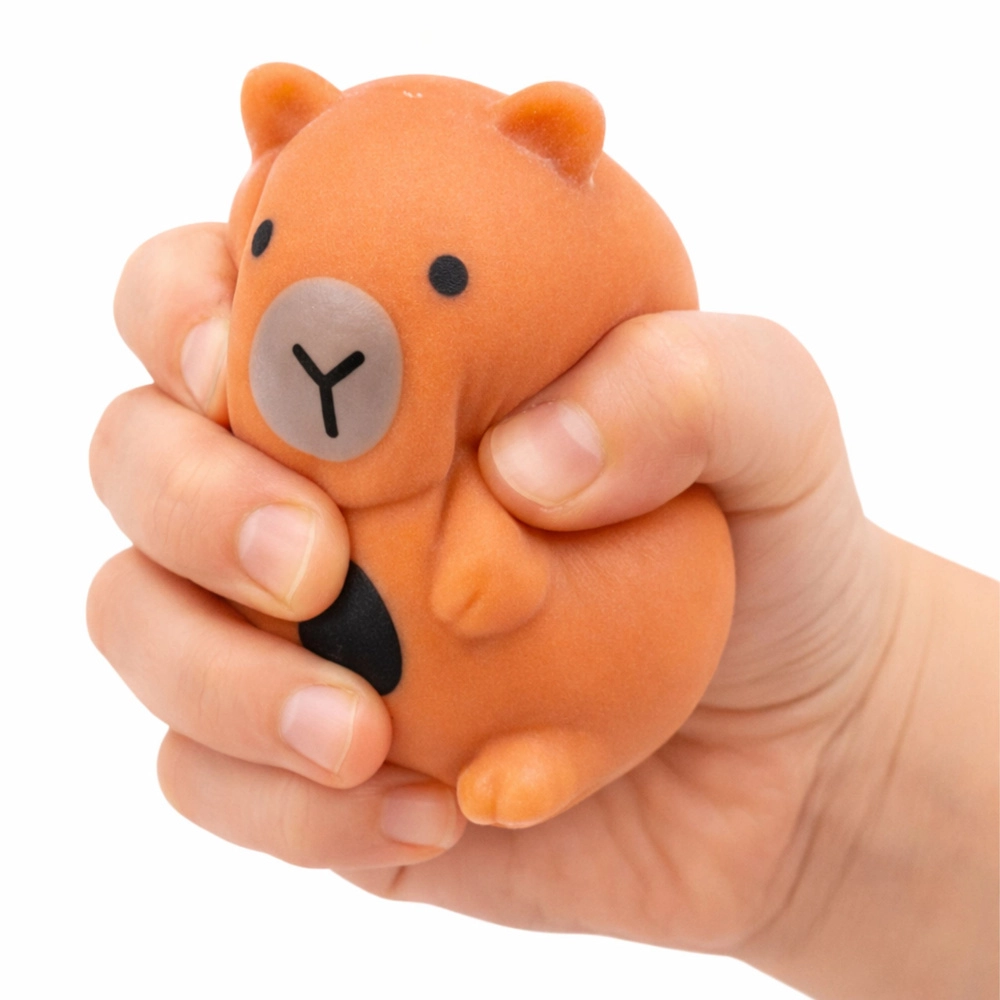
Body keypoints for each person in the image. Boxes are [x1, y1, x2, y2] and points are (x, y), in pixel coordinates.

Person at [88, 222, 998, 999]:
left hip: (629, 679)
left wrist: (858, 737)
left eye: (449, 276)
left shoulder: (519, 467)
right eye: (266, 237)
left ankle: (556, 748)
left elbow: (504, 580)